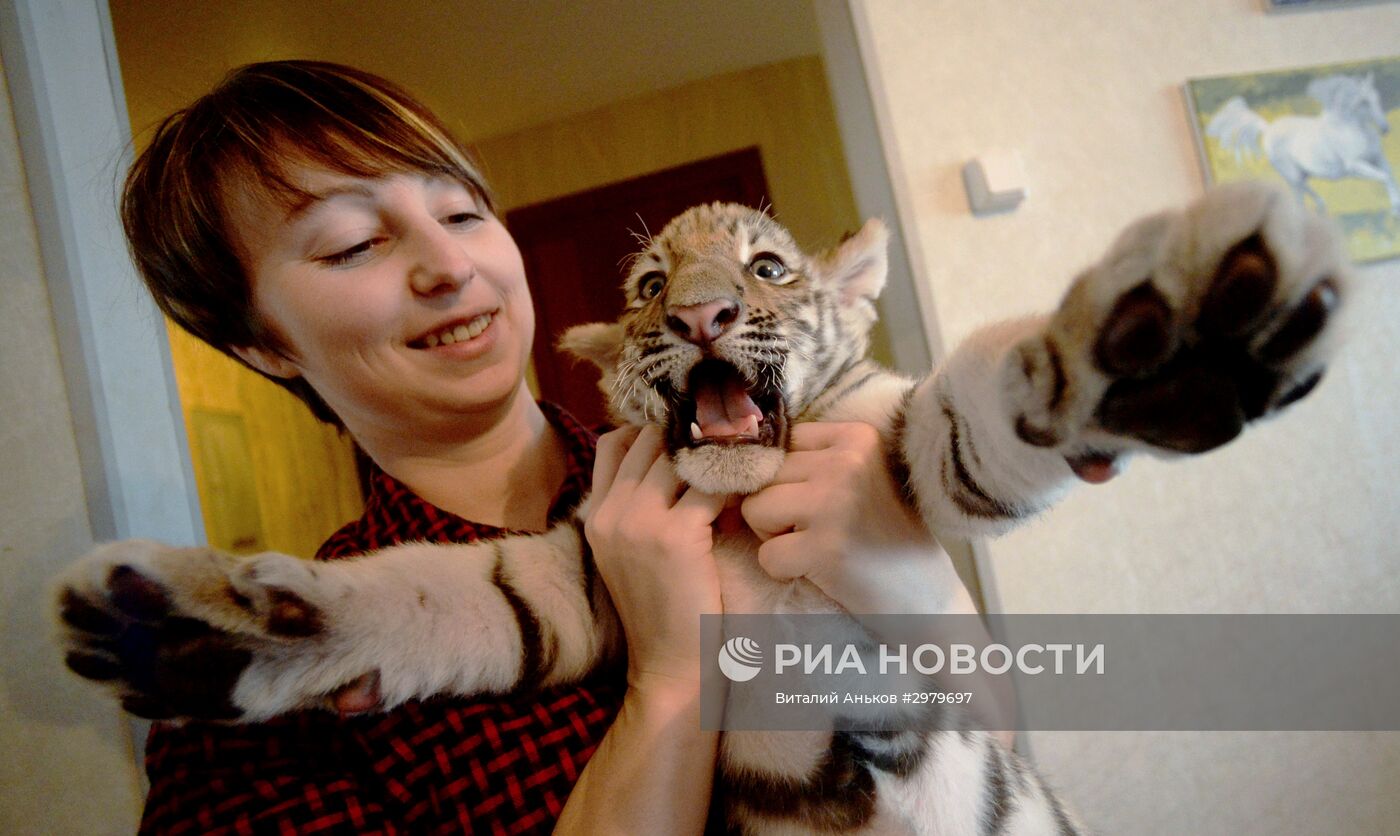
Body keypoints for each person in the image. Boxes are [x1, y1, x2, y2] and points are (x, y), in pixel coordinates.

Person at [120, 60, 973, 833]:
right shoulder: (262, 690)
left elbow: (987, 762)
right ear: (260, 344)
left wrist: (915, 580)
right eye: (354, 244)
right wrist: (671, 680)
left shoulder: (752, 458)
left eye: (460, 211)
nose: (449, 265)